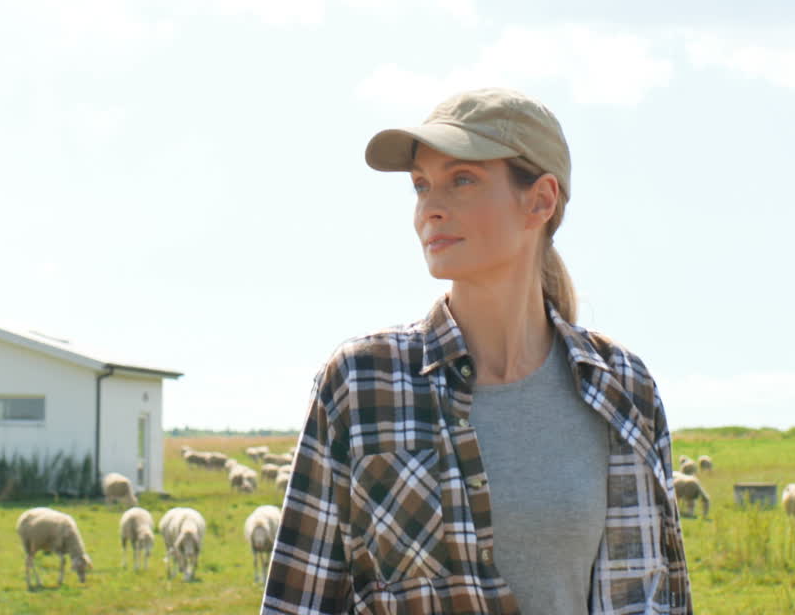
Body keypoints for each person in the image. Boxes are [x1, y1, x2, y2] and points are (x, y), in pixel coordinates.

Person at [261, 88, 691, 615]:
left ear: (540, 200)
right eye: (421, 186)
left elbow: (659, 595)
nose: (430, 209)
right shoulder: (362, 382)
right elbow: (297, 603)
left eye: (462, 180)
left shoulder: (623, 386)